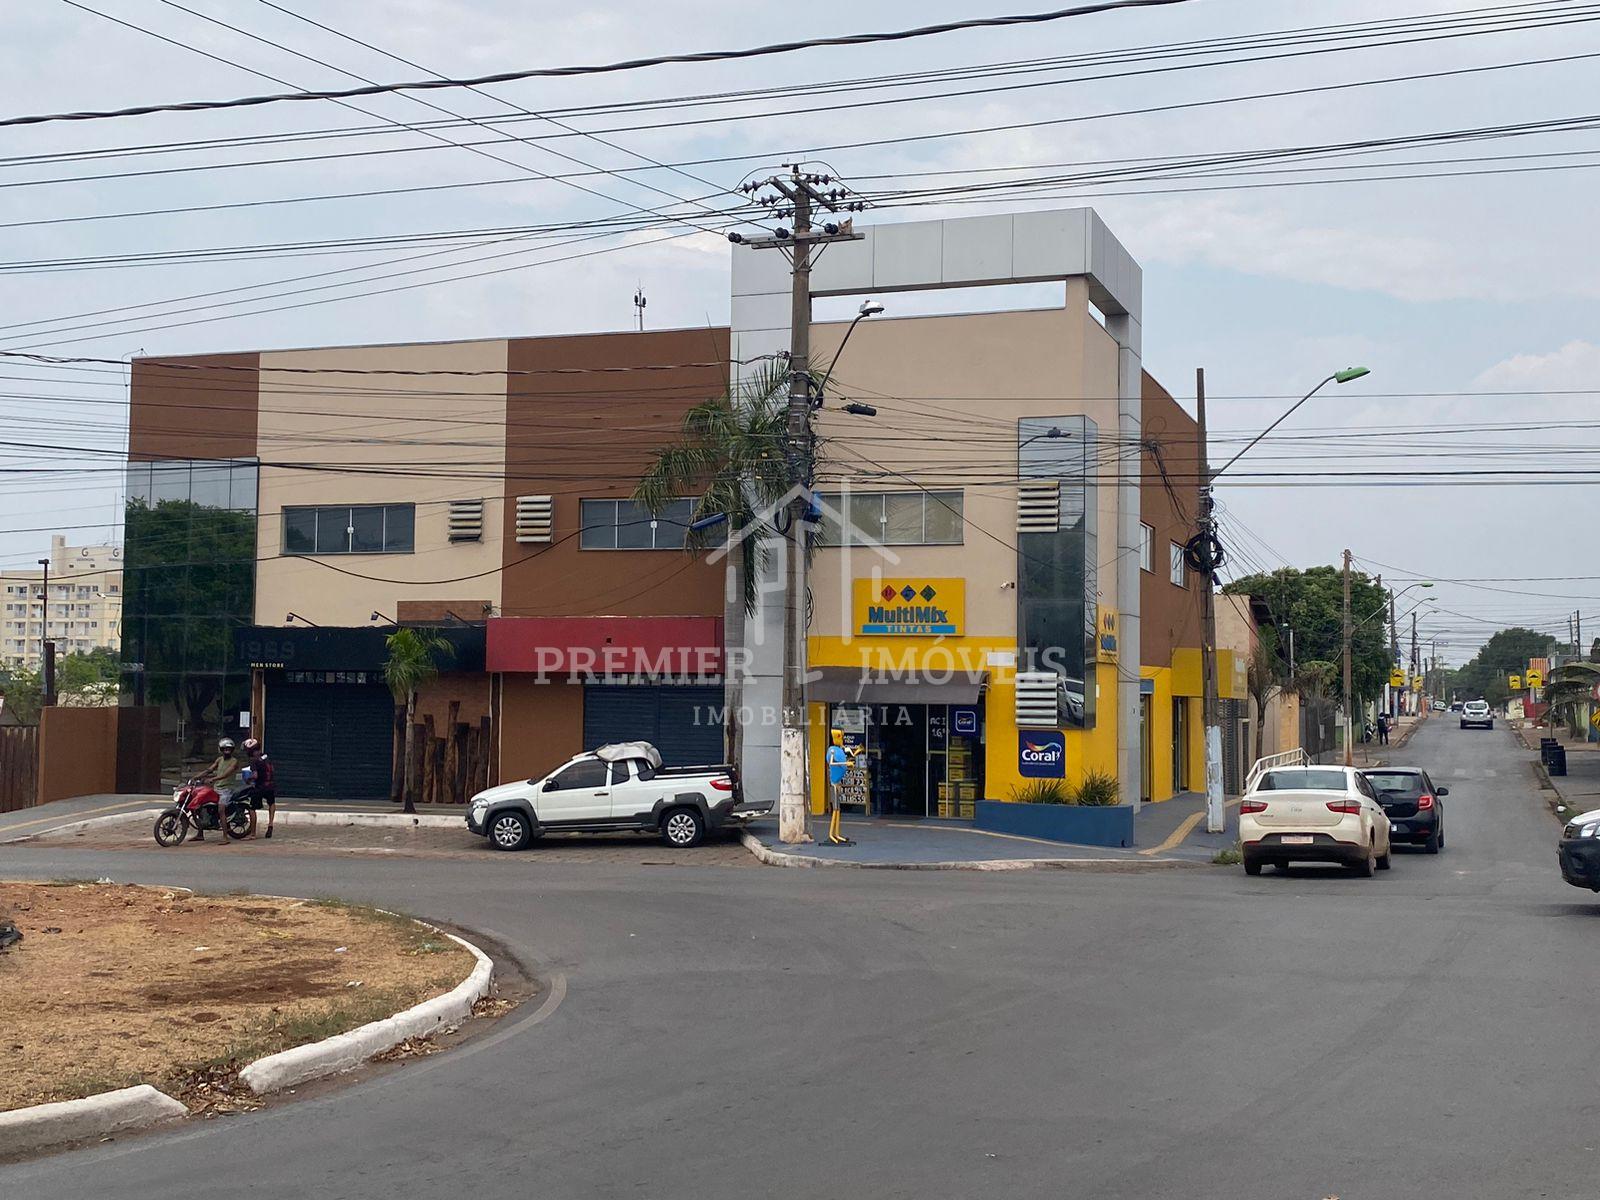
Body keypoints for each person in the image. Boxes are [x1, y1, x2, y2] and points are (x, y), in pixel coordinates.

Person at [196, 737, 241, 842]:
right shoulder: (219, 760)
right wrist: (196, 777)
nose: (227, 751)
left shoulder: (234, 761)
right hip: (216, 788)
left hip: (227, 789)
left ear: (232, 750)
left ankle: (225, 837)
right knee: (199, 805)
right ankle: (200, 834)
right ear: (221, 749)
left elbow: (227, 774)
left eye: (229, 749)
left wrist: (213, 779)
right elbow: (209, 770)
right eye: (225, 749)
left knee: (221, 809)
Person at [824, 729, 857, 847]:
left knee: (838, 810)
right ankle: (831, 834)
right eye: (840, 737)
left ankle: (837, 834)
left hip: (837, 783)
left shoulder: (839, 750)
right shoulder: (832, 750)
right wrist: (846, 764)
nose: (842, 740)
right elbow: (831, 763)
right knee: (835, 809)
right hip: (833, 783)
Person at [241, 737, 276, 839]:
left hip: (260, 786)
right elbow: (272, 770)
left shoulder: (254, 761)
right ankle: (270, 824)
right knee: (271, 803)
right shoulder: (266, 757)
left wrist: (248, 779)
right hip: (270, 785)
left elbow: (255, 776)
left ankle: (253, 834)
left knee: (252, 808)